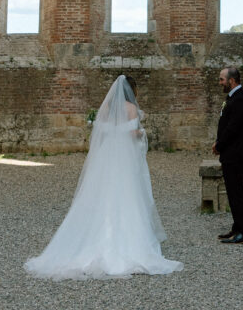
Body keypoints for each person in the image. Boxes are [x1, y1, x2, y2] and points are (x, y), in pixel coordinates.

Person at [25, 75, 183, 280]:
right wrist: (140, 133)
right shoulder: (131, 109)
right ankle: (129, 244)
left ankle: (91, 239)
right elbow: (132, 133)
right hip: (124, 155)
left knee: (101, 192)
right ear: (132, 91)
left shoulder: (106, 109)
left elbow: (104, 131)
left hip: (107, 154)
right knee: (127, 194)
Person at [213, 65, 243, 245]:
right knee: (232, 192)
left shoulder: (241, 99)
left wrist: (219, 145)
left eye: (222, 79)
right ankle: (236, 228)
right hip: (230, 153)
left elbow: (233, 128)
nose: (220, 82)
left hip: (235, 154)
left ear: (232, 80)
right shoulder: (233, 97)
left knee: (237, 193)